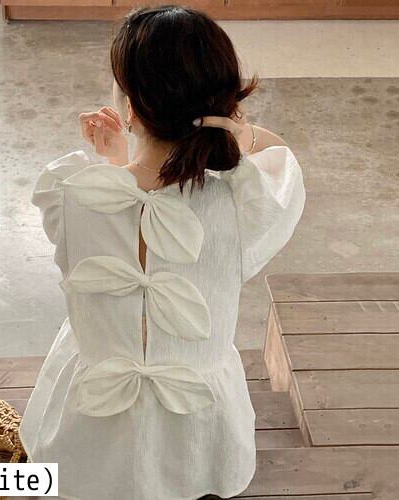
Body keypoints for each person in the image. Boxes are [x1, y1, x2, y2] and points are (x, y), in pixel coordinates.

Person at [19, 5, 306, 500]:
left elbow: (125, 213)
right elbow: (281, 160)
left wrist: (115, 164)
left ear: (130, 106)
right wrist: (236, 130)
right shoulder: (245, 205)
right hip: (197, 432)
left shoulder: (67, 194)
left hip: (90, 427)